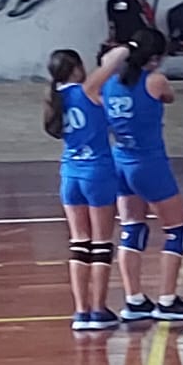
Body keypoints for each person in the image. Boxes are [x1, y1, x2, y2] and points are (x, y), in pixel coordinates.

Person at [102, 30, 183, 323]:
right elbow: (169, 97)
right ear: (155, 58)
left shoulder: (109, 81)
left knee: (132, 228)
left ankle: (134, 299)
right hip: (149, 163)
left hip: (120, 161)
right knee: (178, 230)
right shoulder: (155, 81)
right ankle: (167, 299)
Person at [46, 47, 123, 330]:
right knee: (101, 243)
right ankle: (99, 309)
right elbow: (114, 61)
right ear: (76, 68)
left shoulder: (55, 97)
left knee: (79, 243)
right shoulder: (87, 89)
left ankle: (81, 311)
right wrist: (129, 46)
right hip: (97, 172)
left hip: (70, 173)